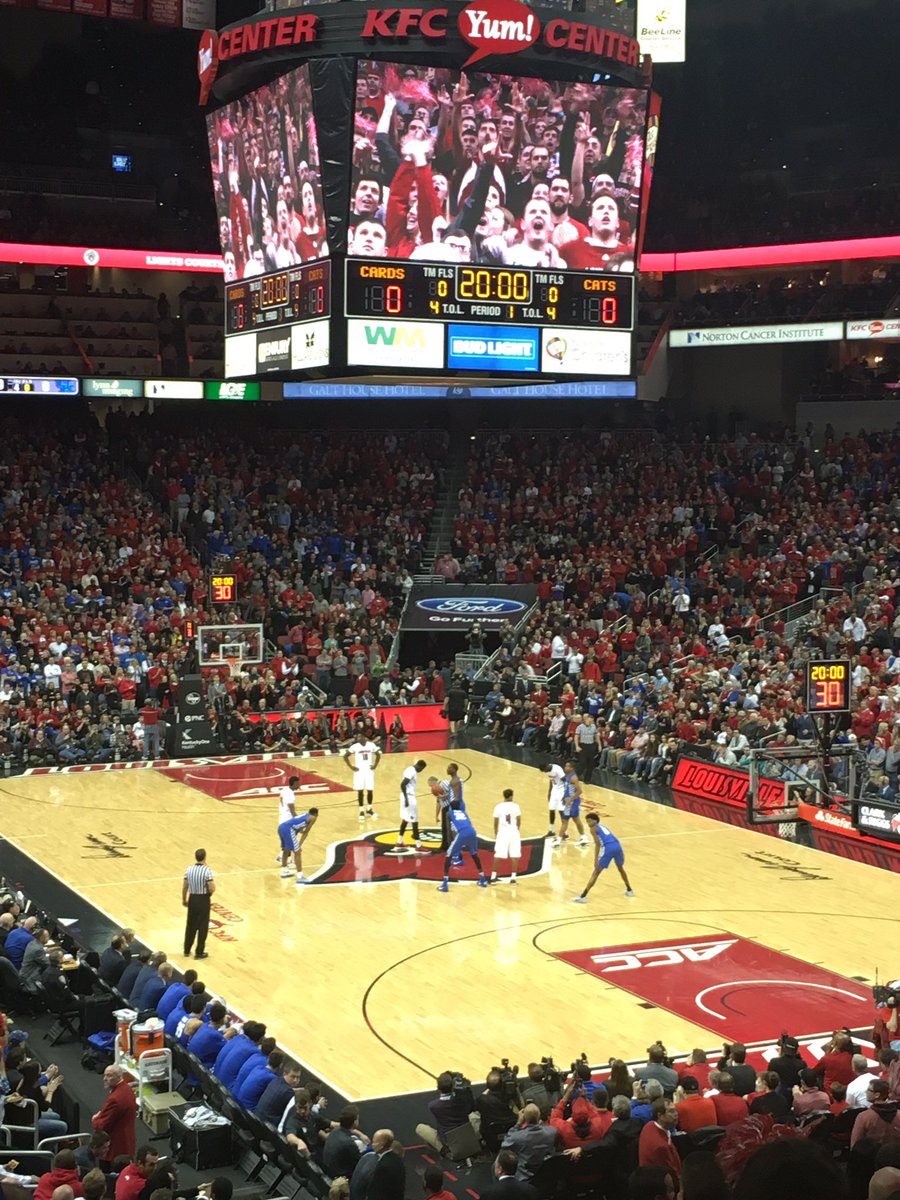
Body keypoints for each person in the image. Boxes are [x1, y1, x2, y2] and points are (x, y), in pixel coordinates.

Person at [431, 781, 488, 891]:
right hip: (472, 832)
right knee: (474, 854)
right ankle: (483, 878)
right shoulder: (464, 812)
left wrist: (450, 843)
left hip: (462, 833)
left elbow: (449, 830)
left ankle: (445, 884)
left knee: (448, 855)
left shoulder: (449, 813)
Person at [573, 812, 634, 903]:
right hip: (617, 845)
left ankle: (583, 896)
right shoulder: (604, 826)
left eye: (589, 821)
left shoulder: (593, 829)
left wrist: (595, 859)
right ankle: (629, 890)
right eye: (587, 822)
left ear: (595, 820)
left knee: (596, 872)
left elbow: (597, 844)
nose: (588, 824)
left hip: (608, 848)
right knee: (620, 868)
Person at [414, 1072, 478, 1154]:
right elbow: (472, 1106)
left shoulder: (433, 1106)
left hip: (449, 1142)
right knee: (474, 1116)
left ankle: (444, 1150)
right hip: (467, 1136)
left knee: (420, 1128)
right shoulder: (463, 1101)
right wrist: (466, 1090)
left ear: (438, 1088)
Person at [500, 1104, 559, 1180]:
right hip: (546, 1172)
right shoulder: (552, 1131)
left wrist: (518, 1123)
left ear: (524, 1118)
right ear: (539, 1116)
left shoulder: (517, 1137)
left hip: (525, 1176)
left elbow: (504, 1145)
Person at [91, 1065, 137, 1162]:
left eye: (109, 1076)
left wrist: (95, 1119)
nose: (105, 1079)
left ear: (119, 1076)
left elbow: (102, 1126)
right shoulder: (127, 1089)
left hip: (115, 1149)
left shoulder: (115, 1099)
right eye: (105, 1075)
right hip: (127, 1144)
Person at [638, 1099, 680, 1190]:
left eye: (675, 1110)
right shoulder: (661, 1146)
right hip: (661, 1188)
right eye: (671, 1111)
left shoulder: (649, 1125)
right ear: (660, 1116)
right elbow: (672, 1175)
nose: (676, 1114)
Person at [183, 848, 215, 959]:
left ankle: (186, 950)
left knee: (190, 925)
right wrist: (209, 894)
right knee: (202, 926)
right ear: (205, 857)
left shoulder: (189, 869)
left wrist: (184, 899)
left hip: (192, 898)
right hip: (203, 899)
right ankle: (199, 952)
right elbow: (211, 887)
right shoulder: (207, 871)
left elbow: (185, 886)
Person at [278, 808, 319, 885]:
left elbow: (296, 827)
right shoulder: (313, 818)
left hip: (281, 827)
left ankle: (284, 871)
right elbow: (306, 833)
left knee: (286, 850)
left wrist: (297, 840)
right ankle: (300, 877)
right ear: (316, 814)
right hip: (288, 829)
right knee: (298, 852)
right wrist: (299, 845)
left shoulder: (305, 815)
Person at [344, 736, 381, 819]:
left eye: (360, 736)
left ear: (364, 737)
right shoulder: (355, 746)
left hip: (369, 770)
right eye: (357, 737)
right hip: (359, 771)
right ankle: (361, 810)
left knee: (370, 790)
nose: (358, 738)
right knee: (360, 791)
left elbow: (378, 755)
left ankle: (369, 809)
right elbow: (345, 756)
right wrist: (351, 766)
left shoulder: (371, 745)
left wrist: (375, 765)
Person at [491, 789, 522, 885]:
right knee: (515, 855)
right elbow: (519, 820)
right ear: (511, 796)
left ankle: (493, 877)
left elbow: (495, 822)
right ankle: (513, 878)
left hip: (502, 831)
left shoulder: (498, 807)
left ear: (504, 796)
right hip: (513, 831)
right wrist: (517, 829)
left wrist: (496, 833)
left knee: (498, 854)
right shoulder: (516, 806)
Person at [554, 762, 588, 847]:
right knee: (566, 820)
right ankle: (559, 839)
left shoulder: (573, 778)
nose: (565, 767)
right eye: (565, 766)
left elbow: (579, 791)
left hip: (573, 802)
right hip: (568, 802)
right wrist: (564, 798)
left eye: (567, 766)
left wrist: (571, 800)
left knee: (574, 820)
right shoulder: (568, 776)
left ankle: (583, 837)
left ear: (572, 768)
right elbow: (568, 789)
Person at [397, 759, 427, 850]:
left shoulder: (409, 769)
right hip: (409, 797)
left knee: (405, 819)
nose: (421, 771)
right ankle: (418, 845)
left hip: (406, 796)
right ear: (419, 766)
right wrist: (406, 799)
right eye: (421, 769)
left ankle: (399, 841)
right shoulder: (412, 772)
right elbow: (402, 784)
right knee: (414, 821)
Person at [367, 1129, 404, 1200]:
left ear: (381, 1145)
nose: (372, 1145)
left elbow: (377, 1190)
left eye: (374, 1142)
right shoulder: (395, 1158)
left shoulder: (383, 1165)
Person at [539, 762, 566, 839]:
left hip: (561, 790)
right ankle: (551, 831)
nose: (545, 772)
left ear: (547, 767)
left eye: (545, 770)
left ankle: (565, 832)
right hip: (554, 790)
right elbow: (551, 781)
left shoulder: (557, 769)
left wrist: (565, 794)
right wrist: (549, 792)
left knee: (561, 811)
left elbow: (566, 781)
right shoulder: (547, 770)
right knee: (551, 809)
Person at [277, 775, 300, 855]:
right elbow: (292, 810)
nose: (299, 785)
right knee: (290, 841)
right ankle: (282, 858)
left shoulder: (284, 790)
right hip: (288, 820)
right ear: (295, 783)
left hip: (282, 818)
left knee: (287, 841)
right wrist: (298, 820)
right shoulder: (290, 795)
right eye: (298, 783)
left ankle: (286, 858)